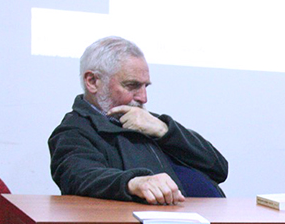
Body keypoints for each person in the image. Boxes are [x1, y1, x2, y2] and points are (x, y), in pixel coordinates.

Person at [49, 36, 228, 205]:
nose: (143, 98)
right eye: (132, 86)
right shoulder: (73, 130)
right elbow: (79, 176)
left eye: (145, 86)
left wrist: (164, 130)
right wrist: (133, 183)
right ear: (93, 81)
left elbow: (218, 168)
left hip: (212, 222)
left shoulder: (151, 122)